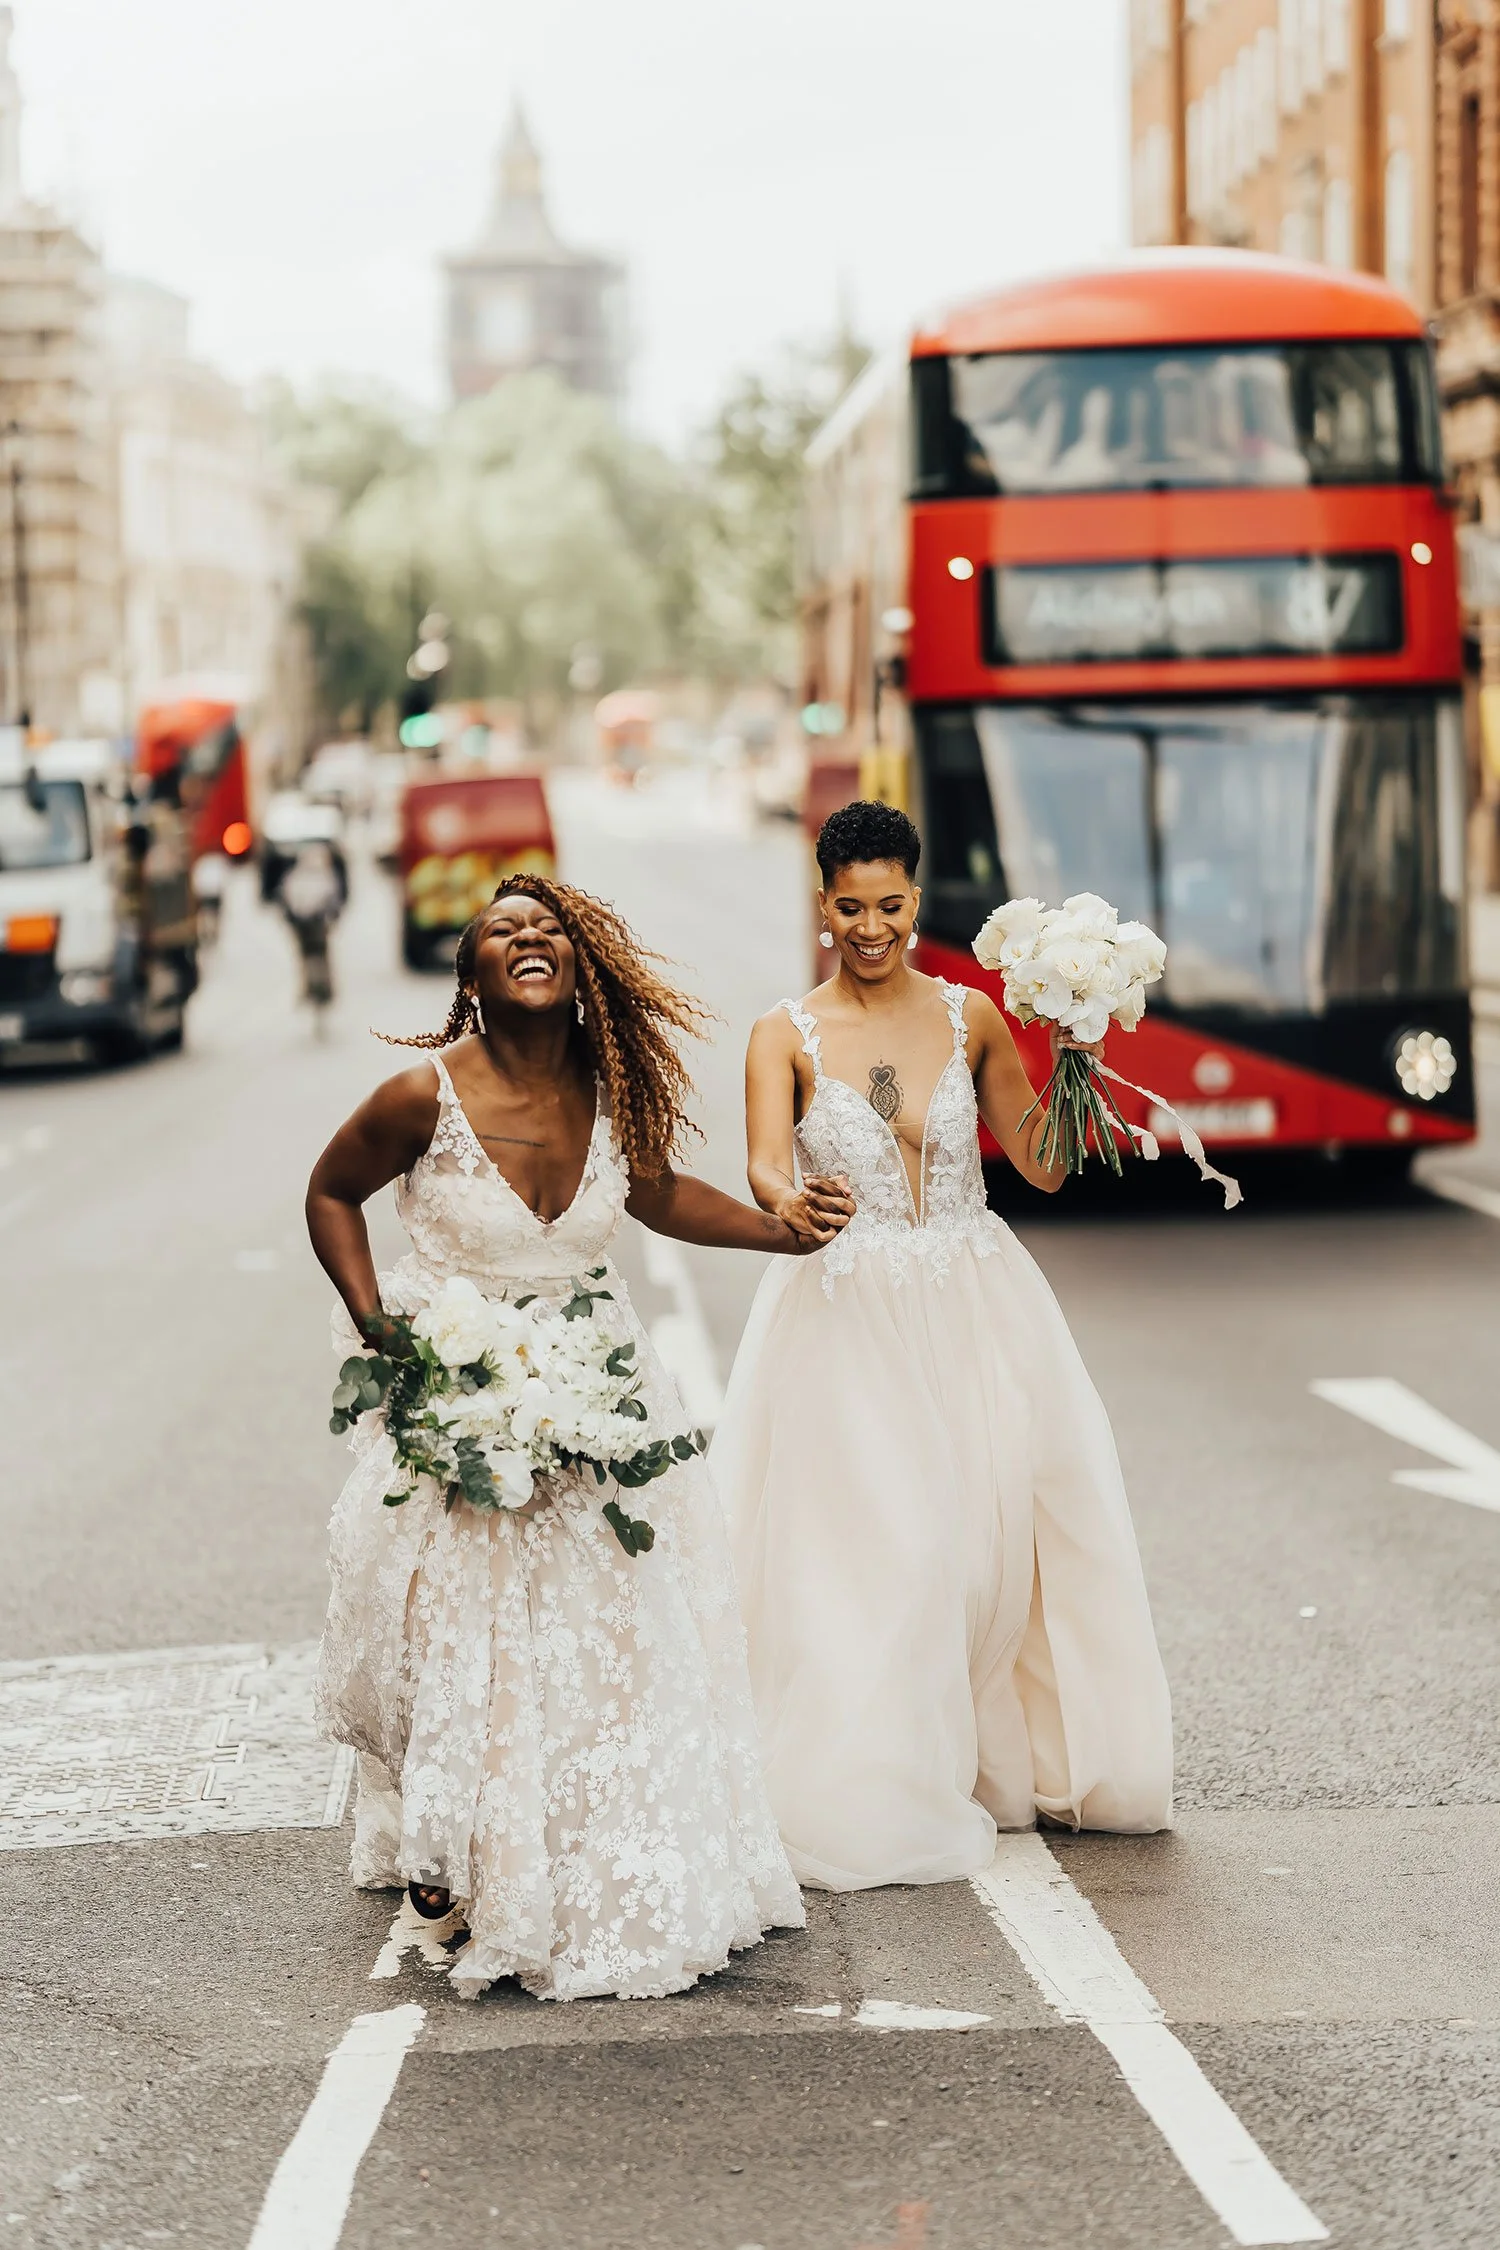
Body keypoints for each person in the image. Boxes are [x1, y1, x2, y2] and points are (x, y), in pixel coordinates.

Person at [306, 874, 852, 2001]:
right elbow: (329, 1193)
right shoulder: (421, 1098)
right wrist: (383, 1334)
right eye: (503, 929)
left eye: (548, 926)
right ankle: (444, 1842)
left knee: (594, 1629)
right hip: (455, 1379)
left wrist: (778, 1234)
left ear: (576, 969)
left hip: (595, 1384)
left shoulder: (610, 1094)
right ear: (473, 976)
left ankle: (559, 1841)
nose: (529, 936)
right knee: (445, 1626)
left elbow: (656, 1198)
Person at [712, 800, 1173, 1893]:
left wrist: (1076, 1055)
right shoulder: (782, 1032)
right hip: (849, 1308)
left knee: (994, 1541)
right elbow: (764, 1165)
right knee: (896, 1546)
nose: (871, 924)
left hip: (976, 1299)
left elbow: (1046, 1166)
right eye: (849, 905)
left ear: (918, 899)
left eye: (891, 903)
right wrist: (794, 1201)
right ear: (822, 905)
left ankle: (990, 1759)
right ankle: (881, 1769)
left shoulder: (970, 1019)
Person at [276, 839, 346, 1007]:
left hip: (313, 922)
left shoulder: (304, 877)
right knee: (313, 954)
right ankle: (314, 986)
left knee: (313, 954)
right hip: (309, 922)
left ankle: (319, 986)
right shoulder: (309, 877)